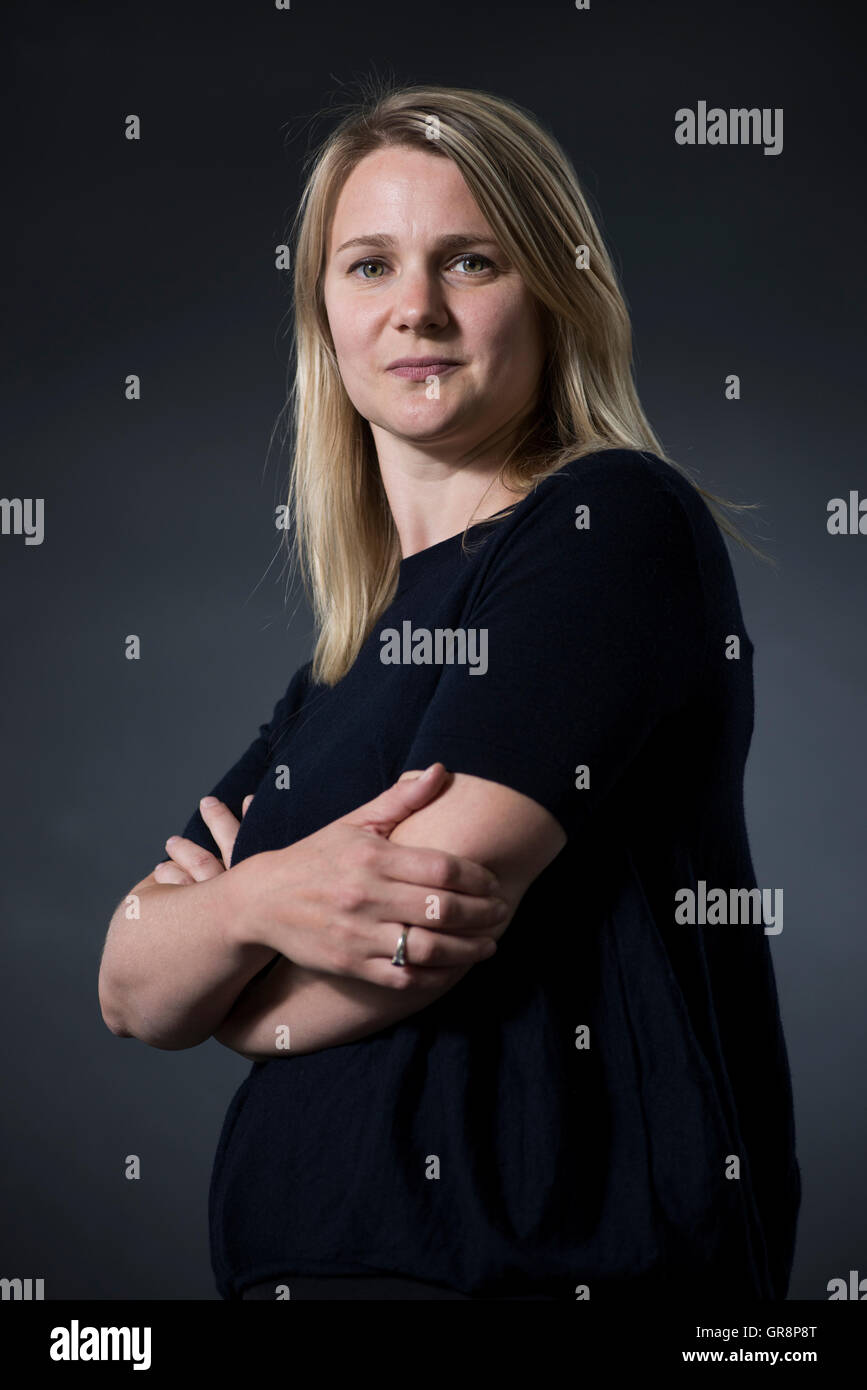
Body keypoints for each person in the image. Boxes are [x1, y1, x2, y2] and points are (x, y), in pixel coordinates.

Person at [98, 81, 801, 1301]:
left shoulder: (608, 521)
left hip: (540, 1272)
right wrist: (269, 896)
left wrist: (233, 955)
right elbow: (129, 985)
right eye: (369, 266)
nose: (415, 308)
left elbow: (422, 924)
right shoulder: (343, 662)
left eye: (468, 261)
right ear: (324, 316)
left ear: (551, 290)